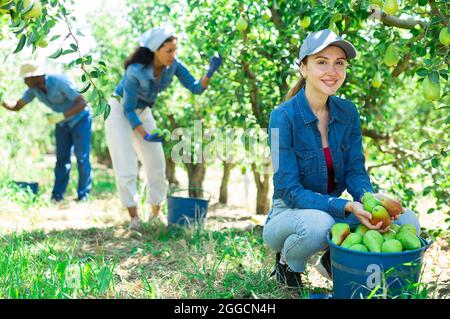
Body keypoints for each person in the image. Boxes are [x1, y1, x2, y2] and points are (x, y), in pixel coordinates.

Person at [263, 29, 420, 289]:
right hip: (290, 214)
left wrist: (368, 199)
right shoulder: (282, 117)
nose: (332, 71)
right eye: (321, 62)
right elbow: (289, 190)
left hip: (333, 210)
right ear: (303, 68)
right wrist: (346, 207)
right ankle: (288, 263)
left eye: (340, 63)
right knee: (319, 223)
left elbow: (355, 171)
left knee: (407, 220)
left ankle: (332, 260)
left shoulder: (347, 112)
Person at [105, 25, 222, 229]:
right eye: (169, 50)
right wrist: (146, 135)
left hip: (142, 111)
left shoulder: (173, 65)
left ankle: (155, 215)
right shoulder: (135, 71)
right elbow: (128, 109)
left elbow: (196, 88)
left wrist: (209, 72)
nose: (173, 55)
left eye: (175, 50)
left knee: (156, 163)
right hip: (119, 109)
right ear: (155, 51)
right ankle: (134, 218)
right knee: (127, 165)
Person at [2, 63, 93, 203]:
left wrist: (62, 115)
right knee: (62, 159)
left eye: (26, 78)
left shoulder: (59, 82)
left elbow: (82, 102)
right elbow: (17, 106)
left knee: (82, 157)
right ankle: (57, 196)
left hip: (81, 120)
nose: (24, 82)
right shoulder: (34, 90)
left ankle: (83, 196)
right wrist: (2, 100)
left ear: (36, 77)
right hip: (62, 123)